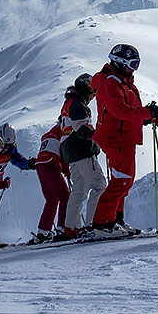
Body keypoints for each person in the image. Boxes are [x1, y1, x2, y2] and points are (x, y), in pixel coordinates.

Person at [89, 43, 158, 238]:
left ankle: (115, 221)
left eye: (136, 64)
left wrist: (147, 118)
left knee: (124, 181)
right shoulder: (110, 83)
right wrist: (145, 113)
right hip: (116, 139)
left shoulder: (124, 83)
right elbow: (119, 110)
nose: (134, 68)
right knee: (121, 181)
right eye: (132, 64)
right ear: (120, 62)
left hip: (124, 138)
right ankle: (103, 224)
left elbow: (128, 111)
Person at [58, 73, 106, 240]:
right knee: (99, 185)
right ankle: (95, 224)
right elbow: (80, 128)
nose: (93, 96)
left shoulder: (68, 104)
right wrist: (99, 135)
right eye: (93, 92)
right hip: (82, 149)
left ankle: (71, 227)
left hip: (69, 151)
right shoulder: (78, 105)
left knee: (79, 189)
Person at [30, 120, 69, 243]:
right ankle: (62, 228)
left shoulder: (48, 134)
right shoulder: (62, 133)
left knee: (51, 199)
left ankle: (43, 231)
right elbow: (64, 154)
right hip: (51, 162)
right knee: (65, 195)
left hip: (40, 165)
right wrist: (68, 172)